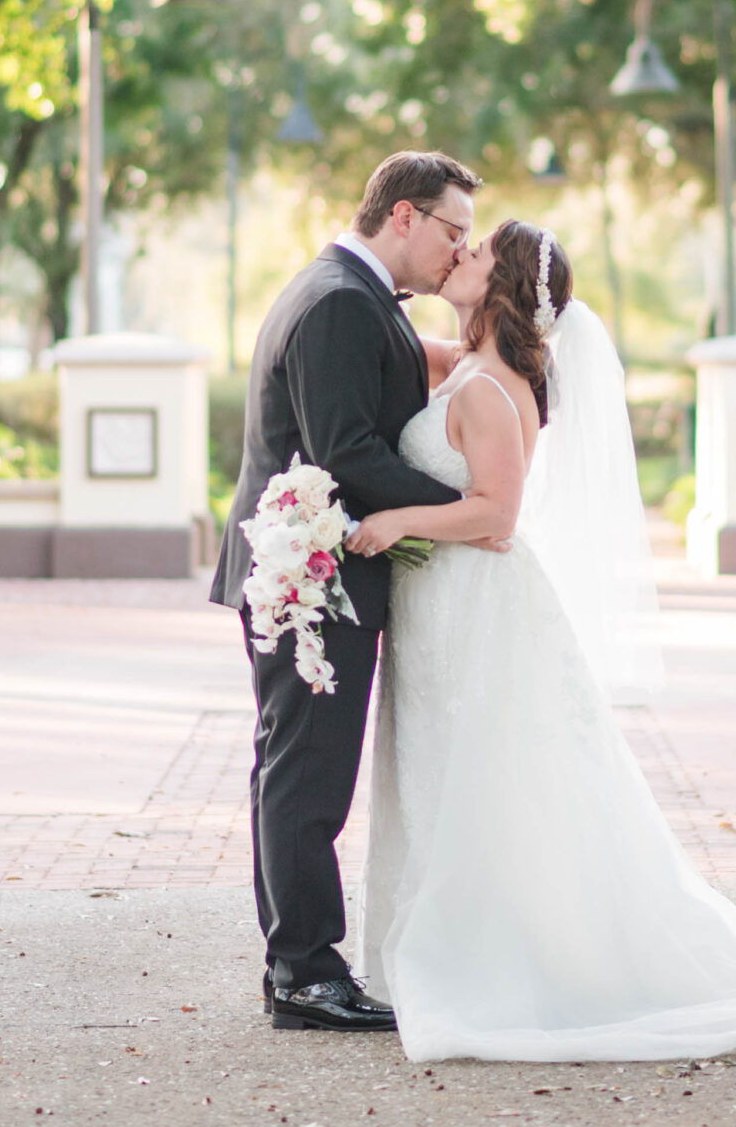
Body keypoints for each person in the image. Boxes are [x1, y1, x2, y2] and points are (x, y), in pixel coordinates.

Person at [342, 221, 736, 1061]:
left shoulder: (490, 391)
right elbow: (391, 343)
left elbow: (496, 513)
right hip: (441, 607)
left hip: (476, 603)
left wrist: (395, 520)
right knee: (442, 767)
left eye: (473, 253)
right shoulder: (465, 367)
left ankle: (494, 957)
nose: (457, 256)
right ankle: (438, 944)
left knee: (485, 774)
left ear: (500, 287)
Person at [208, 150, 483, 1034]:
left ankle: (298, 964)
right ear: (402, 215)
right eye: (453, 230)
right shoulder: (336, 302)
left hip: (316, 573)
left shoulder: (352, 295)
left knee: (297, 769)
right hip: (309, 581)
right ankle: (303, 971)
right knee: (306, 777)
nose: (457, 249)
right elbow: (347, 455)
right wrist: (474, 511)